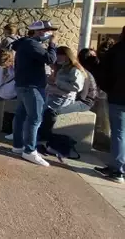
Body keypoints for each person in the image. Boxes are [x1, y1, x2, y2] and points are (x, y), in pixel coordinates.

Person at [10, 20, 58, 167]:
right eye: (47, 30)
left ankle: (18, 146)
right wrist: (52, 45)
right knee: (35, 118)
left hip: (24, 85)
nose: (50, 33)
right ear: (39, 31)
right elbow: (50, 59)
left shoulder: (25, 44)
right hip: (32, 87)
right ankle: (30, 150)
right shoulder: (32, 44)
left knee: (21, 116)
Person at [38, 46, 95, 142]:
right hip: (61, 97)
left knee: (50, 112)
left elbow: (76, 88)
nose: (57, 58)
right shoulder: (63, 67)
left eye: (60, 56)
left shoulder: (75, 70)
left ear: (67, 56)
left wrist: (56, 82)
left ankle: (43, 139)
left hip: (81, 101)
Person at [95, 26, 125, 183]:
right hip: (118, 96)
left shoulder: (117, 51)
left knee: (118, 134)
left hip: (118, 98)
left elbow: (105, 73)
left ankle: (117, 169)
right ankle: (117, 166)